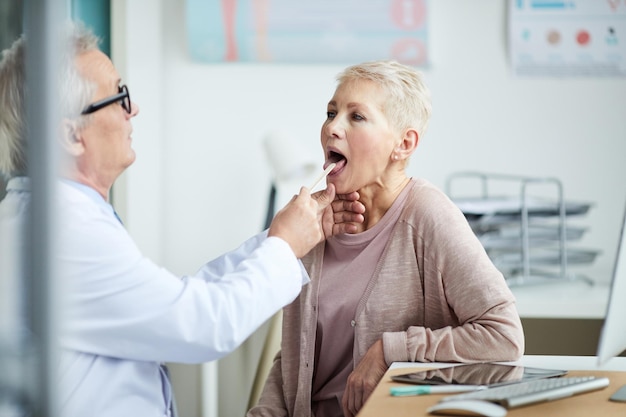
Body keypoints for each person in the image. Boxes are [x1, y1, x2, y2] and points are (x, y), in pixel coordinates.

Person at [0, 24, 365, 417]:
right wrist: (285, 246)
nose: (133, 109)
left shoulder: (54, 221)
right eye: (119, 96)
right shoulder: (61, 235)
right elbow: (203, 325)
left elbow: (179, 299)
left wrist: (284, 239)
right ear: (71, 135)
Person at [247, 60, 525, 417]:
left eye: (356, 116)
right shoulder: (312, 225)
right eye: (331, 113)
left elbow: (503, 336)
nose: (332, 127)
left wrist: (390, 351)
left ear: (403, 144)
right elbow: (294, 358)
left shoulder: (427, 215)